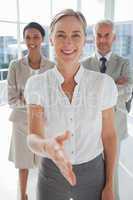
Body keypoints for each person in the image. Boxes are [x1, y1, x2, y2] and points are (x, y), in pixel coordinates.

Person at [24, 10, 118, 200]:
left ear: (85, 40)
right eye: (61, 35)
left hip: (94, 175)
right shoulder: (36, 84)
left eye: (76, 35)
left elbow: (109, 136)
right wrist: (45, 145)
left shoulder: (103, 84)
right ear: (51, 39)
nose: (68, 42)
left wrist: (109, 184)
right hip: (51, 175)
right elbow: (32, 137)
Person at [82, 19, 133, 200]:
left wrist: (96, 92)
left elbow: (127, 92)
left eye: (107, 36)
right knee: (92, 172)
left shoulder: (124, 63)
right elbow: (82, 97)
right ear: (93, 37)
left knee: (111, 173)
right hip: (90, 129)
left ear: (114, 38)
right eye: (99, 35)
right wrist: (113, 86)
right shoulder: (84, 64)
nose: (102, 40)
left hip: (115, 126)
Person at [7, 22, 54, 200]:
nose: (31, 41)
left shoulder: (51, 67)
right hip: (21, 123)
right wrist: (35, 103)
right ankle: (23, 197)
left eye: (35, 37)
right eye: (27, 37)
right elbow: (11, 99)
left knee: (45, 164)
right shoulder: (15, 66)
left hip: (45, 123)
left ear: (42, 39)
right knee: (23, 164)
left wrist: (29, 100)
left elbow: (54, 98)